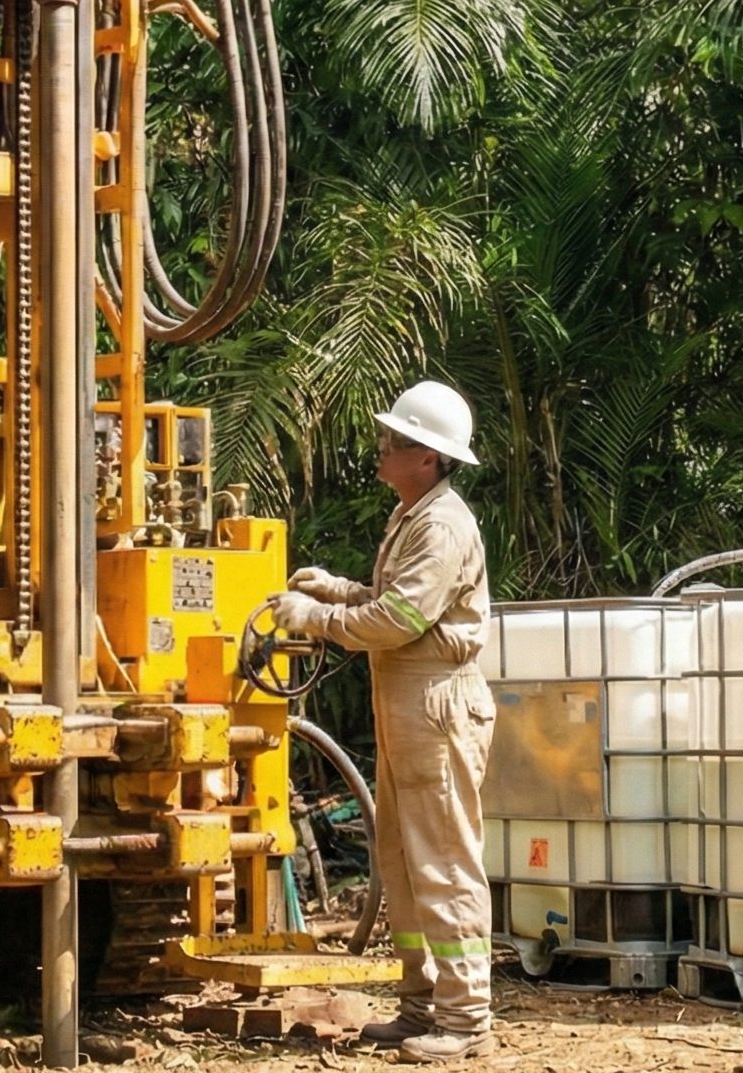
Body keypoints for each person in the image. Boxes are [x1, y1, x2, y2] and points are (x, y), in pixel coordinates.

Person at [272, 380, 496, 1063]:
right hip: (408, 703)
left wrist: (319, 618)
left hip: (435, 704)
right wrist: (337, 591)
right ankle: (422, 1003)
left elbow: (401, 620)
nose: (381, 448)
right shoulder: (414, 515)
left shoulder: (441, 524)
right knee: (403, 861)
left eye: (393, 440)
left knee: (443, 861)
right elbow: (393, 600)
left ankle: (465, 1017)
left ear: (427, 456)